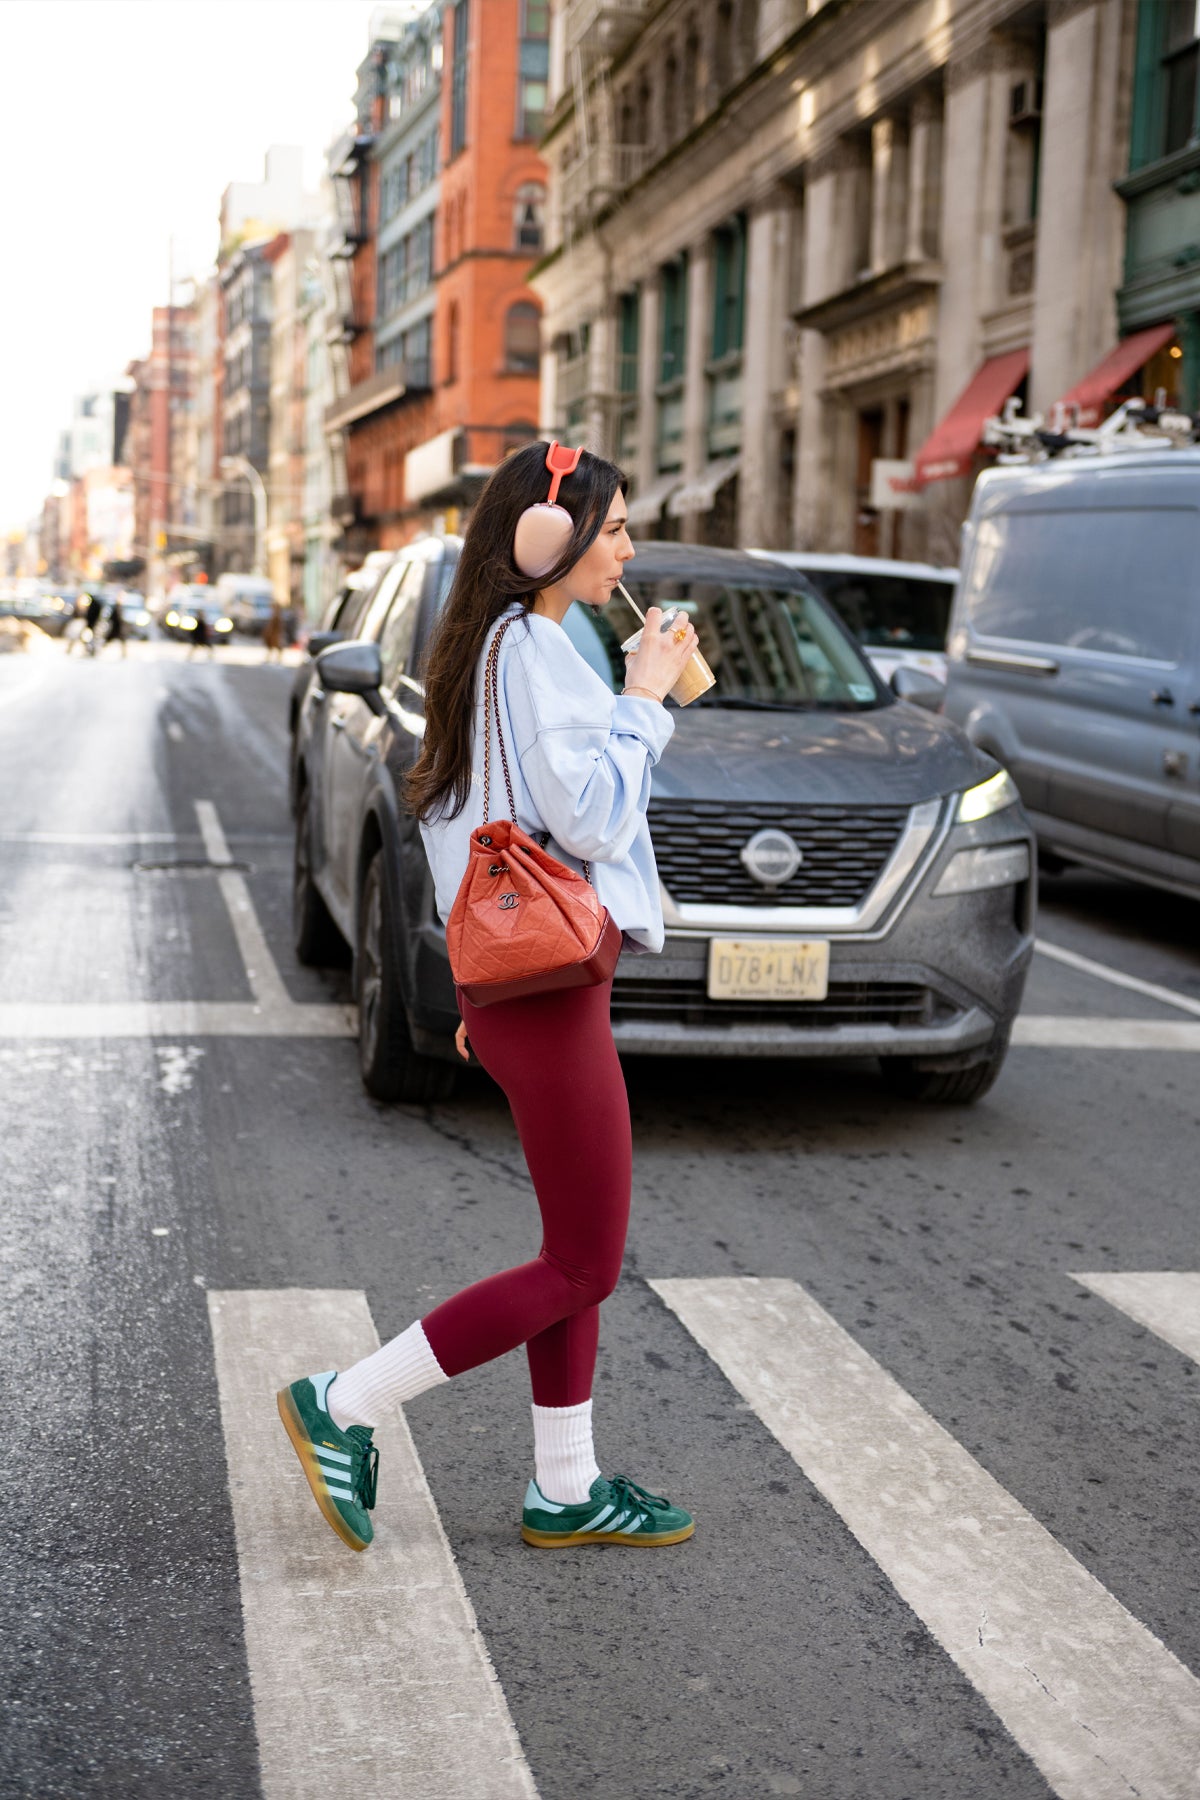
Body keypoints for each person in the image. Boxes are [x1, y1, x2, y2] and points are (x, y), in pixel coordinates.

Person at [277, 442, 700, 1555]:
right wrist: (646, 701)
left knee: (575, 1249)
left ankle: (566, 1485)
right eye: (612, 528)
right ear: (545, 539)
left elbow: (466, 815)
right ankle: (346, 1401)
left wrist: (485, 980)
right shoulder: (540, 652)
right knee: (583, 1262)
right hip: (546, 990)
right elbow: (594, 821)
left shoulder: (504, 643)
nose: (629, 548)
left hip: (535, 984)